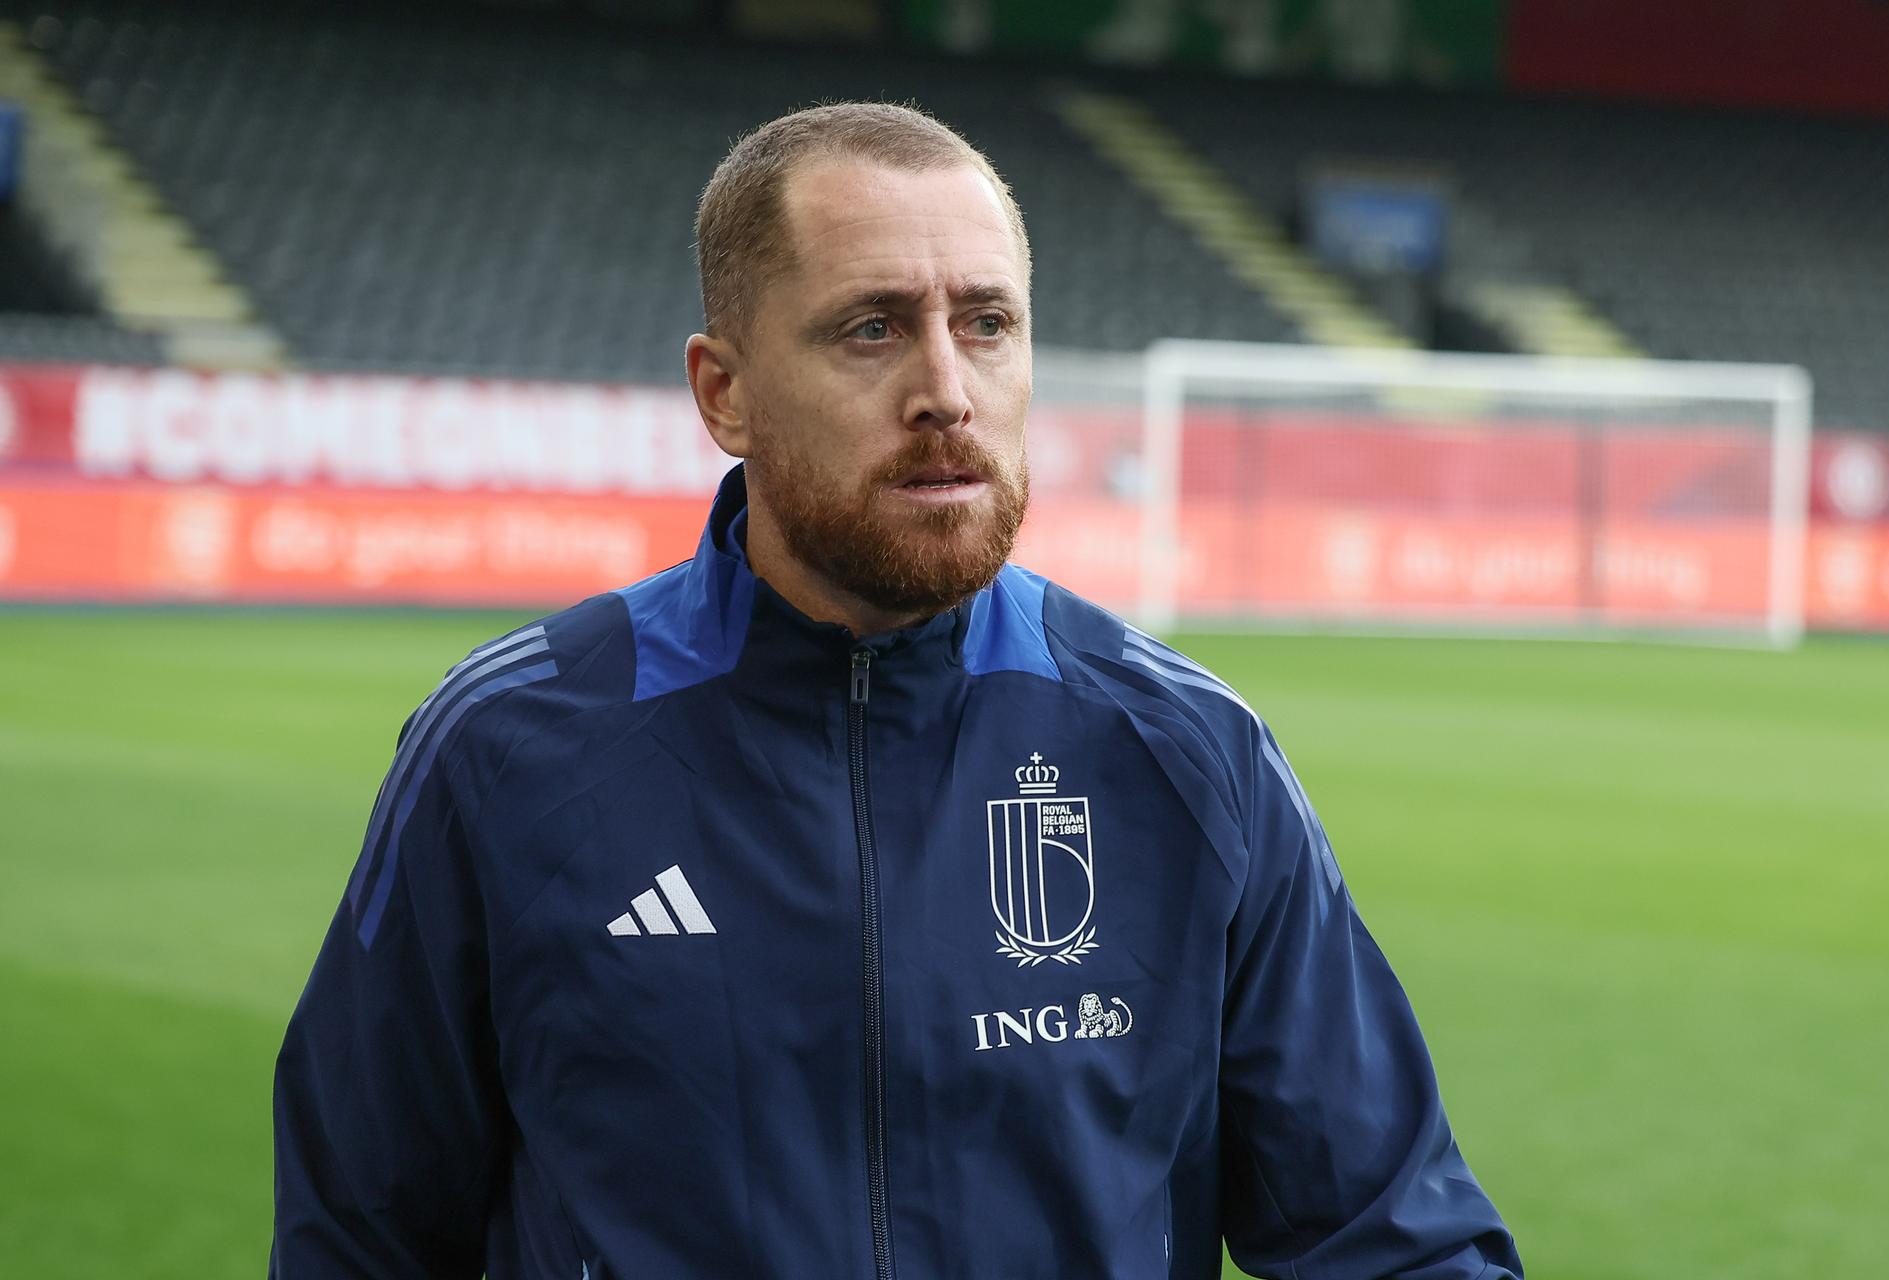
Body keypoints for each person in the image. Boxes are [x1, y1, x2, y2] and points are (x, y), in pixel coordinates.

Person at [271, 102, 1522, 1279]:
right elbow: (359, 1237)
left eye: (986, 322)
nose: (946, 390)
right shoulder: (507, 748)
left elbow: (1394, 1237)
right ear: (725, 394)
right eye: (872, 328)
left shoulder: (1189, 750)